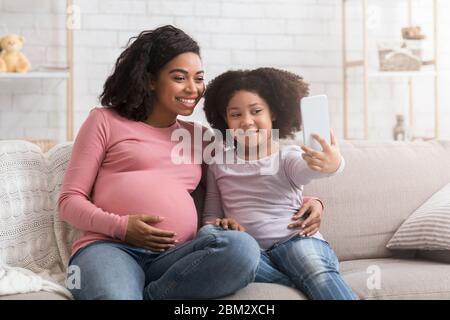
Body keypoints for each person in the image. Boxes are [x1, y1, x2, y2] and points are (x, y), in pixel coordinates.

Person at [57, 25, 265, 300]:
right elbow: (69, 201)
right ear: (151, 80)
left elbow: (253, 170)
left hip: (177, 260)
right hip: (109, 248)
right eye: (180, 78)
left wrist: (307, 199)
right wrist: (121, 227)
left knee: (242, 248)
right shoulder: (104, 121)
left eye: (199, 78)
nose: (193, 89)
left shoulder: (199, 136)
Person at [202, 67, 358, 300]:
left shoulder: (288, 157)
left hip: (297, 241)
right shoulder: (218, 164)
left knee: (316, 271)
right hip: (252, 252)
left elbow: (311, 170)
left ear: (272, 113)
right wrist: (221, 224)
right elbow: (210, 219)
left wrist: (333, 162)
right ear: (225, 119)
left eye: (256, 111)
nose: (246, 121)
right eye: (235, 115)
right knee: (229, 259)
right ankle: (300, 283)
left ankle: (312, 280)